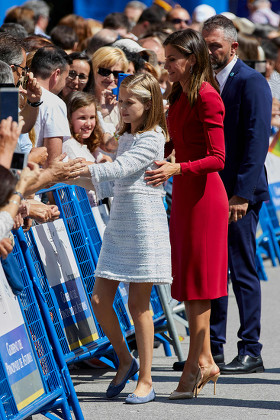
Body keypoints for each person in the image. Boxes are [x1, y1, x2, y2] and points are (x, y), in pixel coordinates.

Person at [145, 29, 228, 399]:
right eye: (165, 60)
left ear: (192, 59)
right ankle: (205, 360)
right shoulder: (179, 94)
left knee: (198, 285)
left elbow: (218, 158)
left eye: (172, 60)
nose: (167, 67)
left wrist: (178, 168)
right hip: (184, 195)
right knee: (191, 285)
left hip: (204, 198)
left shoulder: (207, 95)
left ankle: (197, 365)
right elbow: (176, 140)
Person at [80, 73, 172, 404]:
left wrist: (78, 172)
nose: (122, 107)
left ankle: (146, 379)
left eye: (129, 102)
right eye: (120, 101)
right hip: (119, 225)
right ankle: (124, 359)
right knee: (100, 299)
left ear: (149, 105)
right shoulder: (125, 137)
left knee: (138, 304)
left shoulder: (153, 137)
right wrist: (68, 179)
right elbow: (110, 184)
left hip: (145, 227)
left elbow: (120, 170)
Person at [201, 15, 272, 374]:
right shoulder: (204, 81)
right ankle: (211, 348)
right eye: (206, 44)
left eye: (215, 44)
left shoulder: (252, 81)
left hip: (239, 194)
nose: (209, 50)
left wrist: (242, 194)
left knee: (241, 269)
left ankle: (251, 349)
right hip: (211, 190)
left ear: (233, 46)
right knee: (214, 271)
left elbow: (257, 141)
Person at [63, 91, 111, 205]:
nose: (89, 124)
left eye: (92, 117)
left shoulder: (86, 144)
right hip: (80, 210)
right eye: (82, 118)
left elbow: (106, 159)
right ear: (69, 118)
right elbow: (79, 170)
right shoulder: (68, 144)